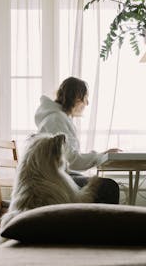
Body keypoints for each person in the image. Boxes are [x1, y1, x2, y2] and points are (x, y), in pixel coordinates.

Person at [34, 76, 121, 204]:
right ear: (76, 98)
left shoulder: (58, 118)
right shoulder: (56, 120)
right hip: (51, 182)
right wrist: (99, 156)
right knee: (108, 187)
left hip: (54, 177)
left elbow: (68, 159)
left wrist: (98, 156)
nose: (87, 103)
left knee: (99, 183)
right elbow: (72, 160)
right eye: (85, 97)